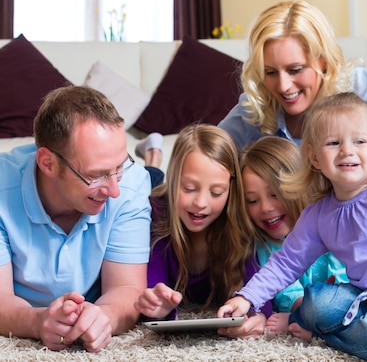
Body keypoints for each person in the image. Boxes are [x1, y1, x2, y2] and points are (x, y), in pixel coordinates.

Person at [218, 92, 367, 362]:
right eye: (334, 143)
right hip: (361, 299)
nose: (347, 150)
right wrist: (246, 298)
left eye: (359, 141)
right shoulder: (319, 214)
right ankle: (340, 333)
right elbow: (286, 262)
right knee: (317, 302)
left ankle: (326, 336)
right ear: (313, 157)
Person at [0, 85, 151, 352]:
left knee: (159, 183)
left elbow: (127, 287)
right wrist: (37, 321)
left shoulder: (130, 185)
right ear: (47, 163)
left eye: (119, 167)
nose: (114, 190)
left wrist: (104, 316)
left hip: (92, 299)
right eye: (96, 174)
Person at [218, 0, 367, 179]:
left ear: (323, 61)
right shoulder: (256, 106)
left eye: (295, 70)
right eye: (270, 72)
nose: (284, 86)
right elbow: (208, 159)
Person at [135, 123, 272, 338]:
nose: (200, 203)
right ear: (174, 180)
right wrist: (157, 306)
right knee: (147, 178)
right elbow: (152, 287)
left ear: (230, 191)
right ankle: (153, 155)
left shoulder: (239, 221)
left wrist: (259, 316)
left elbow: (260, 289)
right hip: (157, 194)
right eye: (189, 188)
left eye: (216, 192)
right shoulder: (155, 212)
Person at [233, 135, 348, 337]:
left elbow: (348, 274)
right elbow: (285, 291)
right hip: (313, 305)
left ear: (298, 186)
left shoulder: (329, 223)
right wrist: (305, 308)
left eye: (275, 194)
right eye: (252, 200)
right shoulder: (265, 245)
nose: (266, 208)